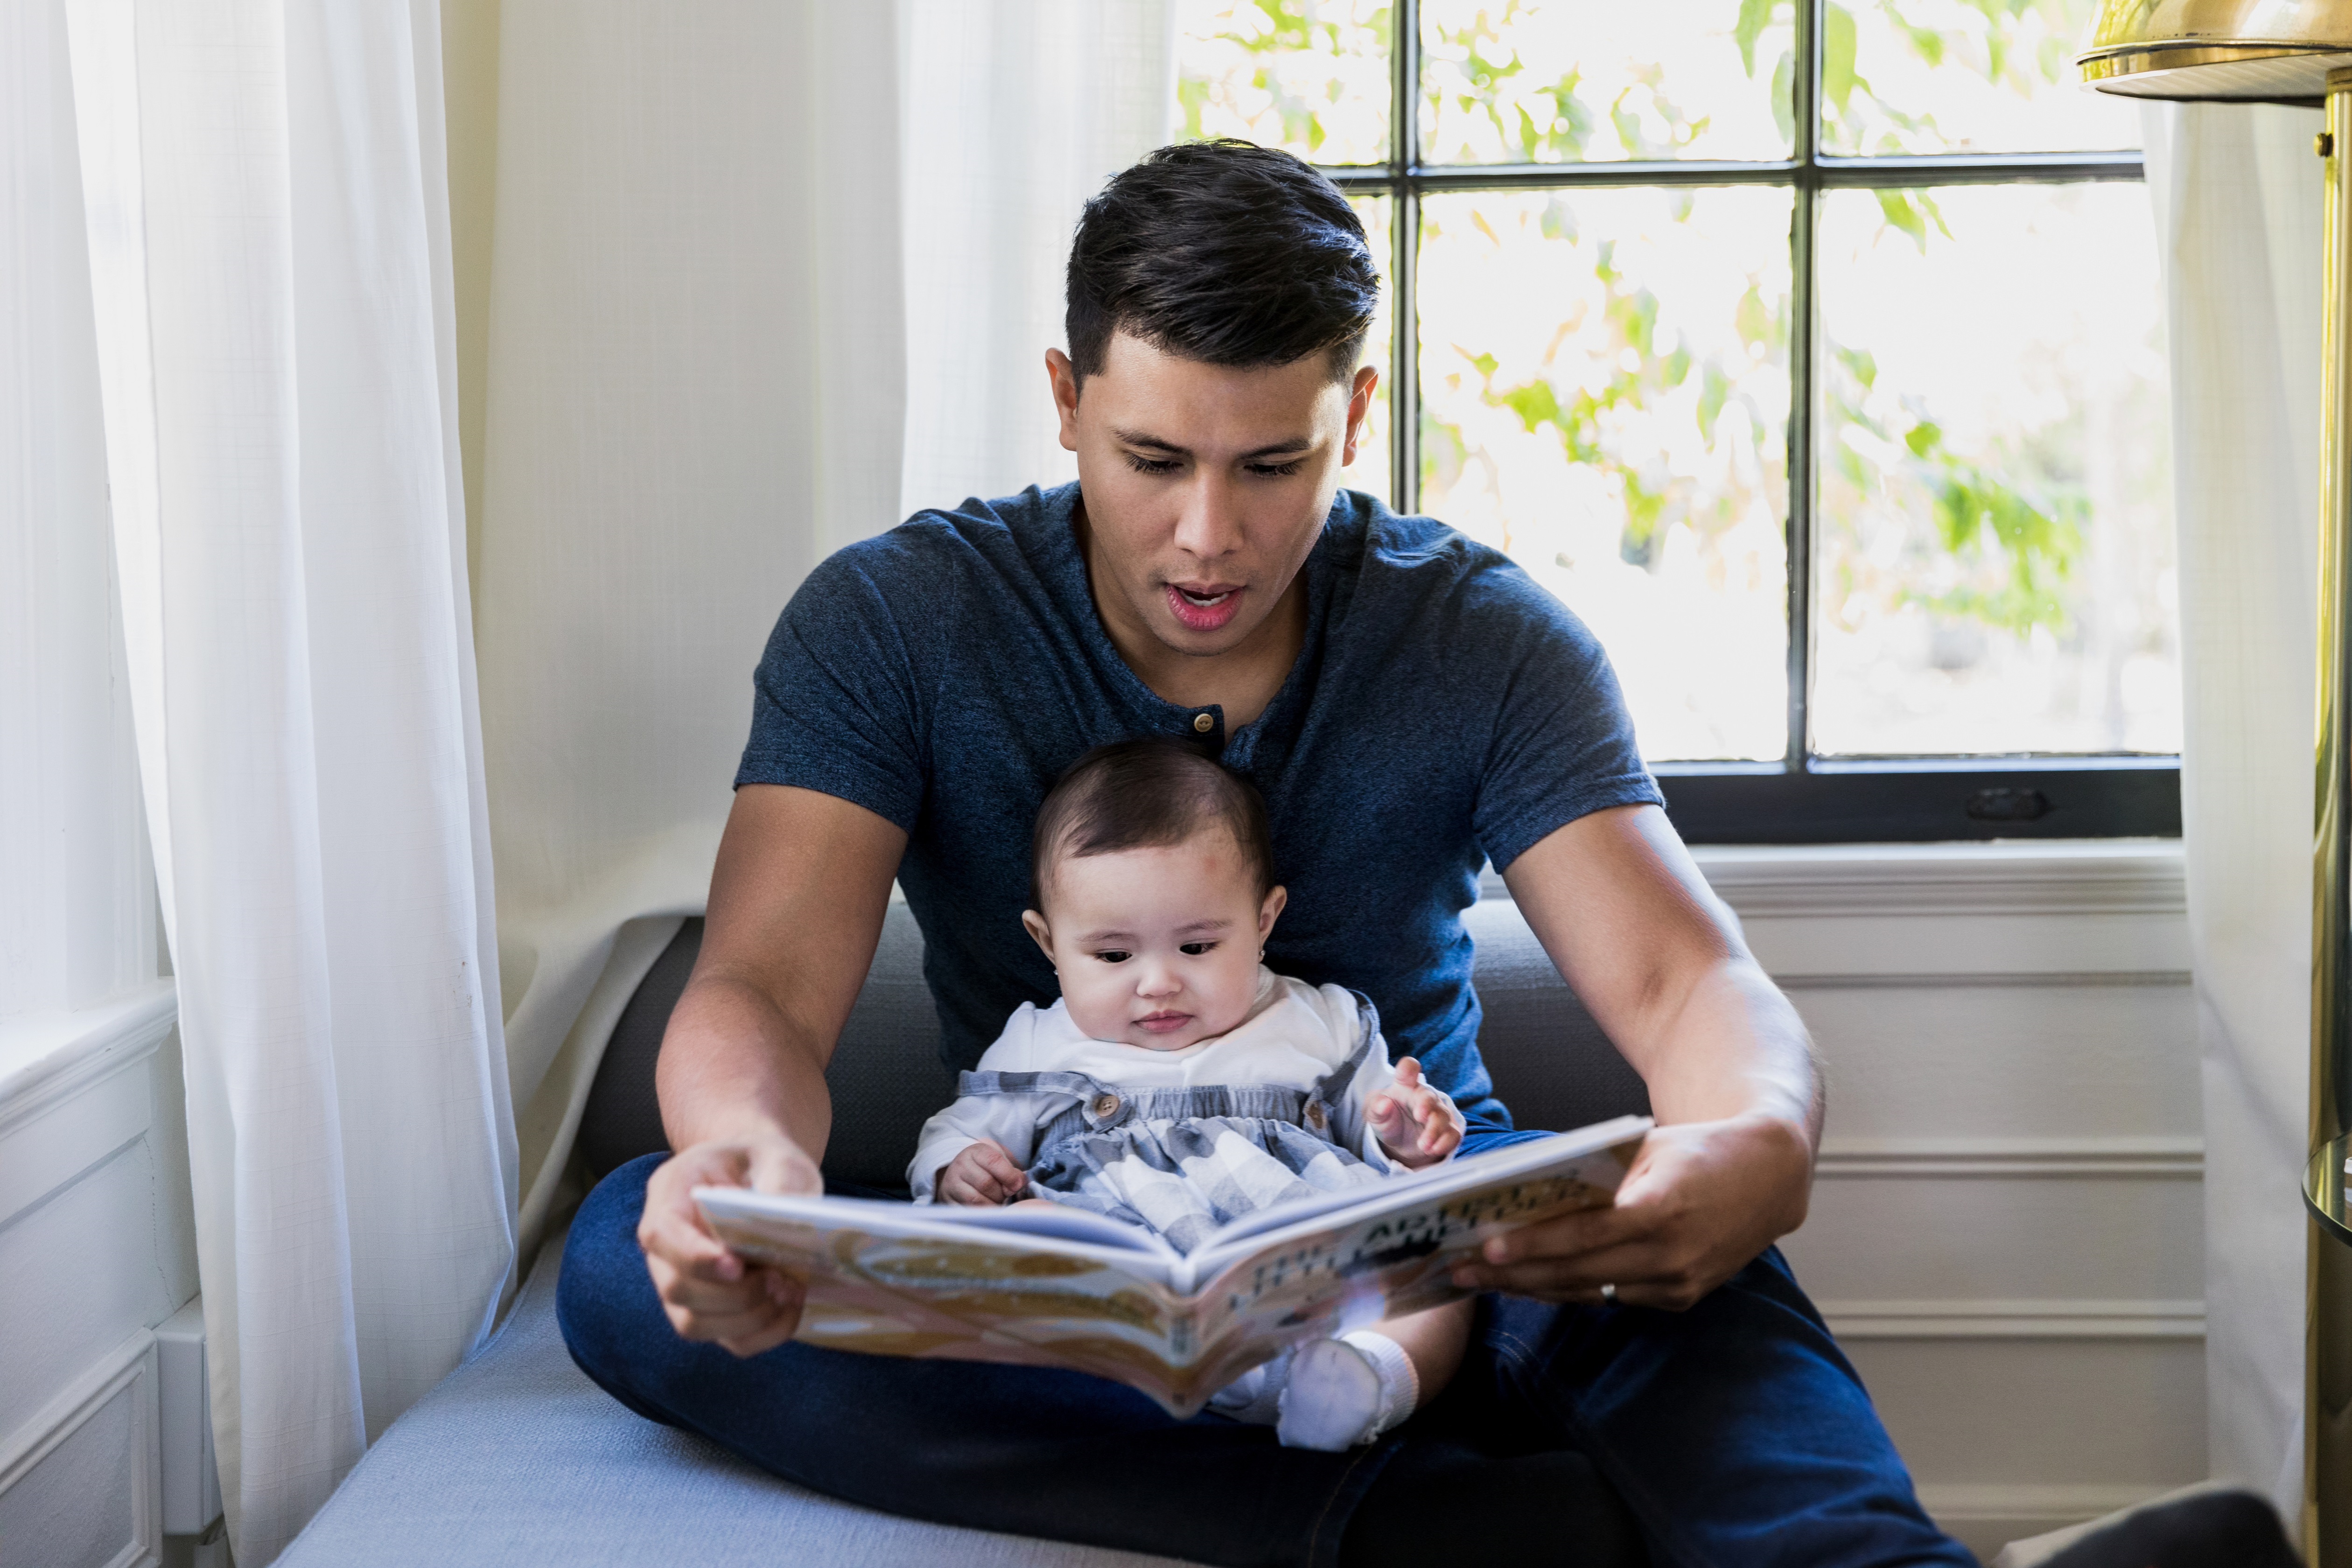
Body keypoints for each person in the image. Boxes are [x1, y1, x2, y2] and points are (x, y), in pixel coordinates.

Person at [556, 137, 1974, 1566]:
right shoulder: (893, 622)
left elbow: (1682, 983)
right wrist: (739, 1162)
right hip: (1066, 1235)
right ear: (1066, 400)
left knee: (1698, 1279)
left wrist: (1759, 1133)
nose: (1208, 537)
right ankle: (1423, 1529)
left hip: (1417, 1236)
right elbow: (764, 986)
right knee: (629, 1252)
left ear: (1353, 417)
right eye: (1153, 460)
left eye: (1271, 466)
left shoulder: (1487, 640)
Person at [912, 736, 1474, 1452]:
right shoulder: (1037, 1041)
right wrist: (957, 1168)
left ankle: (1365, 1382)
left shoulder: (1316, 1018)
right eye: (1113, 955)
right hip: (1125, 1286)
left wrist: (1407, 1136)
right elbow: (960, 1129)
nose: (1158, 984)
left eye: (1198, 947)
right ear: (1048, 943)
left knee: (1441, 1263)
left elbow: (1378, 1121)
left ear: (1263, 921)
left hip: (1304, 1272)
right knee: (1021, 1237)